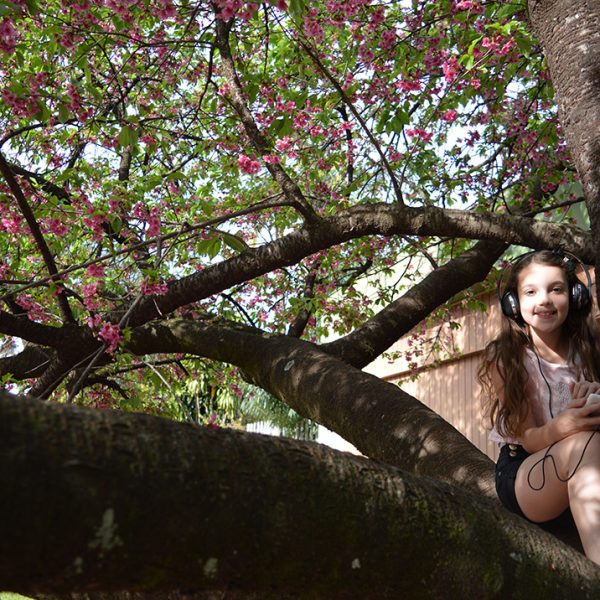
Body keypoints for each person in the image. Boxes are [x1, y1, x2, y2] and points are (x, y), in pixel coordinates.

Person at [478, 249, 600, 564]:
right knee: (583, 441)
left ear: (575, 296)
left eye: (556, 289)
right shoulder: (507, 358)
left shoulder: (589, 351)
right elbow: (528, 438)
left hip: (586, 468)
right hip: (526, 475)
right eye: (531, 292)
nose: (544, 299)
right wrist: (566, 426)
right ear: (514, 304)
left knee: (587, 441)